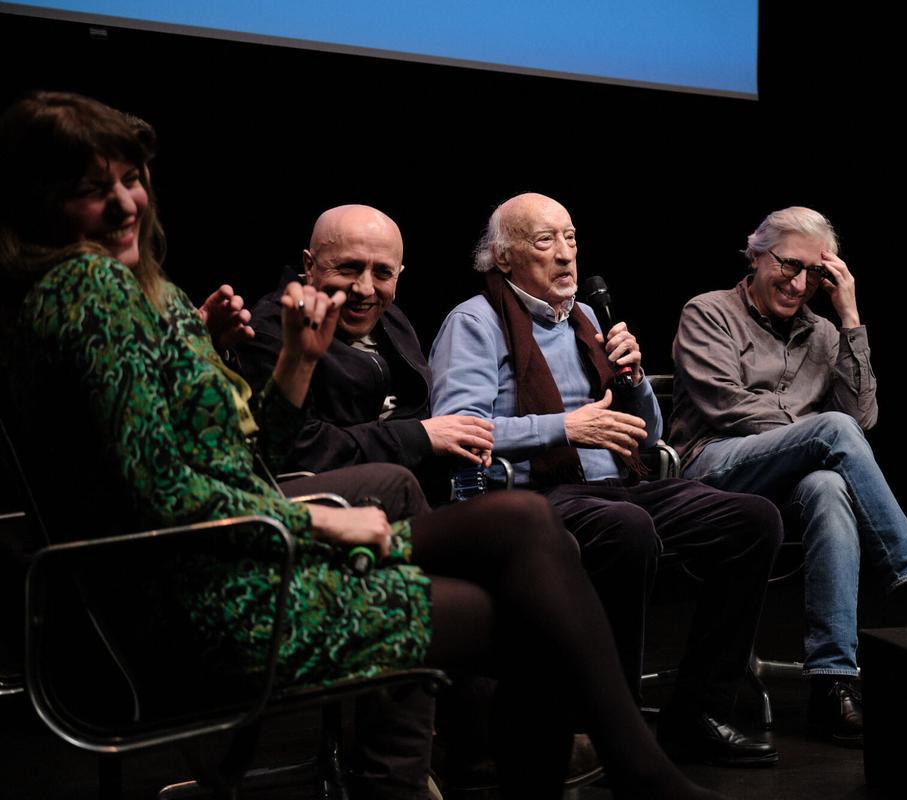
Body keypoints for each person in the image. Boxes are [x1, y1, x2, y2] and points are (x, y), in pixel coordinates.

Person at [0, 91, 729, 800]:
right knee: (529, 609)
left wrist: (293, 360)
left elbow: (241, 460)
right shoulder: (90, 289)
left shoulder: (118, 289)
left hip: (227, 559)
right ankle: (631, 771)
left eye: (133, 180)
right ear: (40, 199)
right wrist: (321, 519)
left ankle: (632, 770)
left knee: (524, 526)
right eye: (95, 189)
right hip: (212, 598)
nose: (126, 203)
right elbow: (166, 494)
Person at [429, 192, 784, 767]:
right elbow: (459, 432)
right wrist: (564, 427)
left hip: (616, 488)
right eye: (546, 242)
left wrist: (637, 379)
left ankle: (700, 710)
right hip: (531, 500)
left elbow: (645, 437)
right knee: (627, 527)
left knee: (752, 519)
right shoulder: (474, 323)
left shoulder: (588, 319)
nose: (566, 255)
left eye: (571, 238)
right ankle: (613, 725)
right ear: (503, 258)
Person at [670, 206, 907, 747]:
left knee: (831, 484)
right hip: (711, 468)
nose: (799, 282)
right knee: (830, 435)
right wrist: (814, 433)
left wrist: (851, 318)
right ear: (756, 255)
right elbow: (727, 408)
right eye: (788, 265)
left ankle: (833, 684)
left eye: (816, 273)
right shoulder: (709, 312)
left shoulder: (825, 335)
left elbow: (861, 423)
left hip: (791, 482)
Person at [237, 205, 495, 490]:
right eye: (349, 268)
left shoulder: (391, 318)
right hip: (345, 508)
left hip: (420, 491)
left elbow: (422, 413)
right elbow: (296, 450)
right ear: (310, 266)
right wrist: (417, 436)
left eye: (383, 273)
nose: (365, 289)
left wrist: (457, 439)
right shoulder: (271, 333)